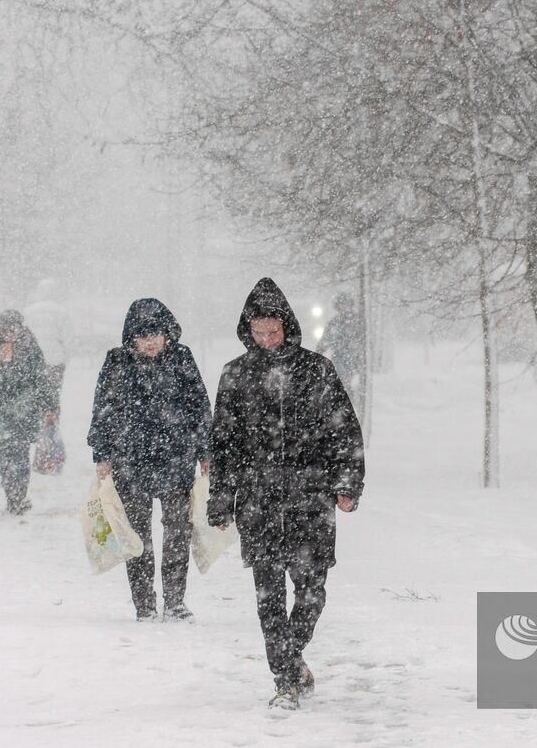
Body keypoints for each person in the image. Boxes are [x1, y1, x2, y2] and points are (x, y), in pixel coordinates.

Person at [207, 278, 365, 710]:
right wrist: (221, 499)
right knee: (268, 596)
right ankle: (285, 679)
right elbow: (224, 444)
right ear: (247, 331)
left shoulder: (317, 369)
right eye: (257, 332)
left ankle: (290, 655)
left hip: (310, 497)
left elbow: (344, 431)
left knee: (312, 592)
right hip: (258, 501)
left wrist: (347, 484)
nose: (266, 340)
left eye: (272, 331)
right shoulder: (235, 374)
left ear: (287, 326)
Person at [88, 298, 211, 622]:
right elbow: (103, 408)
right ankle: (144, 604)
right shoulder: (117, 362)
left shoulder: (181, 358)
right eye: (143, 335)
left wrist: (205, 451)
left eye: (156, 333)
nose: (151, 340)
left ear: (167, 333)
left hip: (176, 456)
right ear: (131, 337)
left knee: (177, 532)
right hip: (132, 460)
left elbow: (199, 404)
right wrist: (102, 454)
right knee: (137, 536)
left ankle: (174, 601)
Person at [0, 310, 55, 515]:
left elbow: (40, 378)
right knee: (4, 456)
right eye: (6, 329)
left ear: (21, 328)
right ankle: (11, 497)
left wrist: (49, 405)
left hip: (24, 411)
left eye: (14, 328)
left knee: (20, 456)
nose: (10, 333)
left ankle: (19, 497)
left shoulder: (31, 348)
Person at [22, 278, 73, 416]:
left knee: (34, 394)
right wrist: (65, 359)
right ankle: (51, 425)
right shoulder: (62, 312)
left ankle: (35, 424)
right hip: (55, 360)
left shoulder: (28, 312)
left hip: (32, 361)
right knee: (53, 395)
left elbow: (23, 339)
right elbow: (67, 340)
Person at [316, 291, 365, 403]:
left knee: (349, 380)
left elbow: (362, 340)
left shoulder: (358, 321)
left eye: (345, 305)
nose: (343, 308)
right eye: (340, 305)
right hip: (339, 357)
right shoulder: (334, 322)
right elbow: (325, 340)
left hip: (354, 357)